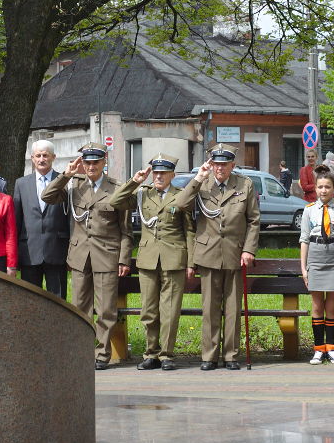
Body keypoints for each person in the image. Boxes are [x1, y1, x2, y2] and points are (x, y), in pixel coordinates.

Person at [42, 142, 133, 370]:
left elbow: (125, 230)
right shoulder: (75, 186)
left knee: (105, 310)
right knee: (79, 307)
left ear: (104, 163)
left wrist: (123, 258)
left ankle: (102, 353)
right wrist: (66, 174)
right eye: (87, 162)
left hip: (106, 255)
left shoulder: (115, 188)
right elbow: (48, 196)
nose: (91, 166)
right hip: (80, 255)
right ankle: (81, 351)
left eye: (95, 162)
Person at [174, 144, 260, 370]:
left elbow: (253, 220)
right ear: (210, 164)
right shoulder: (202, 183)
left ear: (233, 165)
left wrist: (249, 249)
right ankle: (209, 356)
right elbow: (180, 204)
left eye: (224, 164)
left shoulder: (244, 185)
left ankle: (231, 355)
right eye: (216, 164)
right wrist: (198, 179)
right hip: (208, 252)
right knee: (210, 308)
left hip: (234, 251)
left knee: (232, 308)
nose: (219, 168)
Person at [108, 153, 195, 371]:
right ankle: (150, 353)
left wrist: (191, 263)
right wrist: (135, 181)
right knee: (149, 309)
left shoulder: (181, 195)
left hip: (174, 258)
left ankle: (166, 355)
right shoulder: (143, 194)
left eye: (163, 173)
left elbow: (190, 231)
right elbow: (115, 201)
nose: (158, 176)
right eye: (155, 172)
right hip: (148, 260)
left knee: (170, 310)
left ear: (172, 175)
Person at [300, 166, 334, 364]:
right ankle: (318, 349)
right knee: (316, 306)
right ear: (316, 188)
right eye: (320, 187)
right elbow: (304, 240)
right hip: (316, 257)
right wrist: (304, 269)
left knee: (332, 306)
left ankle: (331, 348)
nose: (323, 190)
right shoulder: (309, 211)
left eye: (327, 187)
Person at [13, 140, 69, 298]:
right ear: (32, 158)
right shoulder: (21, 184)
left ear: (53, 157)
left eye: (45, 155)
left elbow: (70, 219)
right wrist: (15, 253)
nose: (41, 159)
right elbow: (16, 220)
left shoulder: (65, 182)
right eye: (38, 155)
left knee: (58, 301)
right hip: (29, 251)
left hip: (57, 250)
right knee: (30, 301)